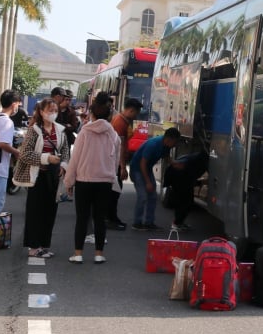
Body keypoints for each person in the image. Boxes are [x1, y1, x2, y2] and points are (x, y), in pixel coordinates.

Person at [63, 91, 120, 264]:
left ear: (92, 113)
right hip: (104, 181)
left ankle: (78, 253)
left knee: (82, 218)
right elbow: (115, 161)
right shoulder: (114, 135)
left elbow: (75, 159)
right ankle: (99, 254)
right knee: (100, 218)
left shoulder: (85, 133)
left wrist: (69, 181)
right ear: (109, 114)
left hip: (84, 180)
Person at [19, 98, 71, 258]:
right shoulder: (34, 130)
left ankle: (43, 245)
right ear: (41, 112)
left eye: (55, 111)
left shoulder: (60, 130)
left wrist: (63, 165)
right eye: (49, 111)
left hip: (54, 174)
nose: (53, 114)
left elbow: (65, 151)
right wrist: (46, 158)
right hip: (37, 174)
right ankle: (33, 247)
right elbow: (25, 153)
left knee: (50, 210)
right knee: (35, 210)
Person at [128, 127, 178, 231]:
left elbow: (166, 156)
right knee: (143, 196)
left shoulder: (166, 145)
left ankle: (149, 222)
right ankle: (137, 223)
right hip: (137, 168)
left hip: (147, 168)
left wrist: (174, 163)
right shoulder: (153, 144)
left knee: (153, 196)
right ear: (170, 139)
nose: (175, 145)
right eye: (175, 142)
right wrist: (147, 182)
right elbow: (142, 163)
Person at [108, 97, 143, 230]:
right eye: (136, 113)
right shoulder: (120, 123)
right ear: (130, 110)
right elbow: (120, 147)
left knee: (115, 192)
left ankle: (113, 218)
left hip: (115, 162)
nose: (136, 116)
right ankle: (110, 219)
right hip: (115, 163)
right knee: (114, 193)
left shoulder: (121, 120)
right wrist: (123, 167)